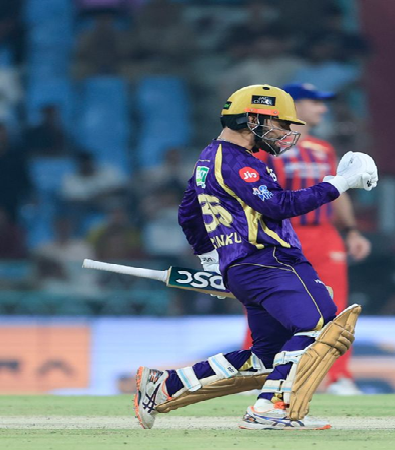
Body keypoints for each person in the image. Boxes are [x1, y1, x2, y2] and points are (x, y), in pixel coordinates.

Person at [133, 84, 378, 430]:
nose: (286, 132)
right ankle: (271, 408)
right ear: (252, 120)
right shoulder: (239, 162)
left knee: (265, 355)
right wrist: (339, 183)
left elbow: (189, 212)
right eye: (280, 123)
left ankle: (165, 385)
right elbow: (278, 205)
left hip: (244, 267)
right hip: (270, 260)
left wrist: (210, 258)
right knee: (320, 324)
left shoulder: (209, 157)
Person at [248, 82, 372, 395]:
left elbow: (338, 190)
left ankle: (337, 377)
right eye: (315, 102)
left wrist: (351, 230)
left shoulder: (323, 149)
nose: (322, 109)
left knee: (337, 308)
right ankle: (255, 372)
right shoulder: (264, 147)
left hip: (324, 235)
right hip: (280, 233)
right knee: (267, 303)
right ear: (293, 106)